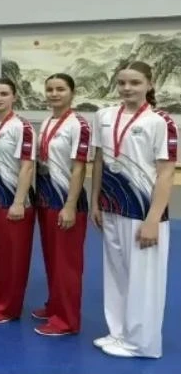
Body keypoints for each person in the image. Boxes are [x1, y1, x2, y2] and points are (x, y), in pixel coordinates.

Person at [90, 61, 176, 358]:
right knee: (116, 274)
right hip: (112, 206)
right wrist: (95, 202)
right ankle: (119, 333)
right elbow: (99, 161)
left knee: (144, 280)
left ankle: (141, 344)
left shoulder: (160, 121)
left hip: (143, 211)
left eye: (135, 82)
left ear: (150, 84)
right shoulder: (103, 116)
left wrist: (153, 219)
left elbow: (166, 173)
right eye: (122, 82)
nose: (127, 88)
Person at [32, 73, 90, 336]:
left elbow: (79, 168)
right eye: (50, 89)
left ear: (72, 92)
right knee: (52, 259)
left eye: (61, 89)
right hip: (46, 198)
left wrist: (70, 205)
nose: (54, 94)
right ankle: (55, 305)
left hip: (67, 200)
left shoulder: (79, 125)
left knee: (67, 264)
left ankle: (66, 320)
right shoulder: (47, 121)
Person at [0, 78, 36, 324]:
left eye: (3, 94)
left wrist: (19, 201)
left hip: (12, 199)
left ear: (14, 96)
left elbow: (27, 167)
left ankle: (9, 308)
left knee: (13, 258)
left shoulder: (22, 127)